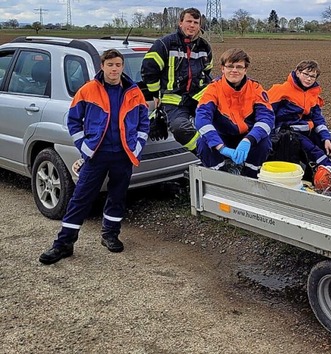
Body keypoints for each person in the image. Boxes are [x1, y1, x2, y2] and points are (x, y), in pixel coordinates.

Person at [39, 49, 149, 265]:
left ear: (122, 67)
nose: (114, 69)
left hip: (123, 156)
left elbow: (144, 122)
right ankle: (64, 244)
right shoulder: (88, 90)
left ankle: (110, 234)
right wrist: (84, 147)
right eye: (110, 65)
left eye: (118, 65)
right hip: (96, 156)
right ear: (102, 66)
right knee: (80, 199)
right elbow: (73, 121)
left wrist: (136, 148)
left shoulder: (134, 92)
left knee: (117, 196)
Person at [267, 60, 331, 185]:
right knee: (312, 149)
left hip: (306, 131)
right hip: (286, 133)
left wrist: (326, 139)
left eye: (312, 76)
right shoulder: (281, 90)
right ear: (297, 73)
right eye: (306, 74)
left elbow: (318, 120)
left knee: (329, 143)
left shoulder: (313, 94)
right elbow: (268, 114)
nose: (309, 79)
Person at [141, 7, 213, 156]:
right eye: (189, 21)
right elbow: (149, 70)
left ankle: (227, 154)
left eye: (196, 22)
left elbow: (207, 72)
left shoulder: (204, 47)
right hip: (174, 100)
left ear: (199, 26)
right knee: (179, 128)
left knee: (224, 118)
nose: (192, 25)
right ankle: (207, 155)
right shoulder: (165, 44)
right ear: (180, 23)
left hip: (197, 97)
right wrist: (155, 94)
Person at [194, 48, 274, 178]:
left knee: (264, 142)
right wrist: (220, 147)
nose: (234, 70)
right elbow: (202, 119)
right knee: (203, 143)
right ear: (222, 68)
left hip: (246, 137)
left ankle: (251, 177)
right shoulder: (213, 89)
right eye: (230, 66)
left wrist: (249, 140)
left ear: (245, 70)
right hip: (221, 137)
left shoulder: (255, 88)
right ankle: (219, 178)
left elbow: (266, 119)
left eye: (239, 67)